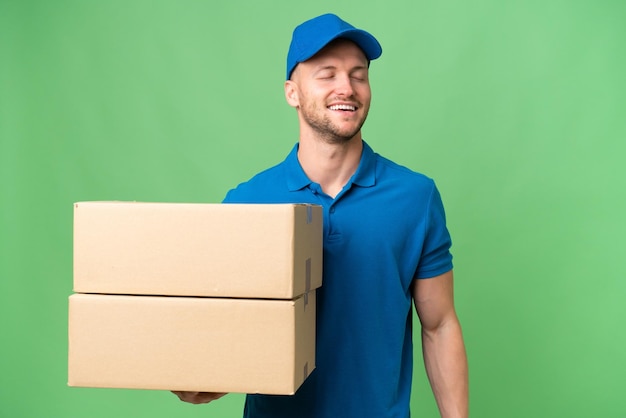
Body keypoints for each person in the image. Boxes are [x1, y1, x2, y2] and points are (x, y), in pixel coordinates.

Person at [173, 13, 469, 418]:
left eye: (358, 75)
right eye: (326, 74)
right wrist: (204, 381)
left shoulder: (415, 197)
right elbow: (231, 331)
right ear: (292, 93)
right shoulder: (248, 203)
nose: (346, 88)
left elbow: (439, 325)